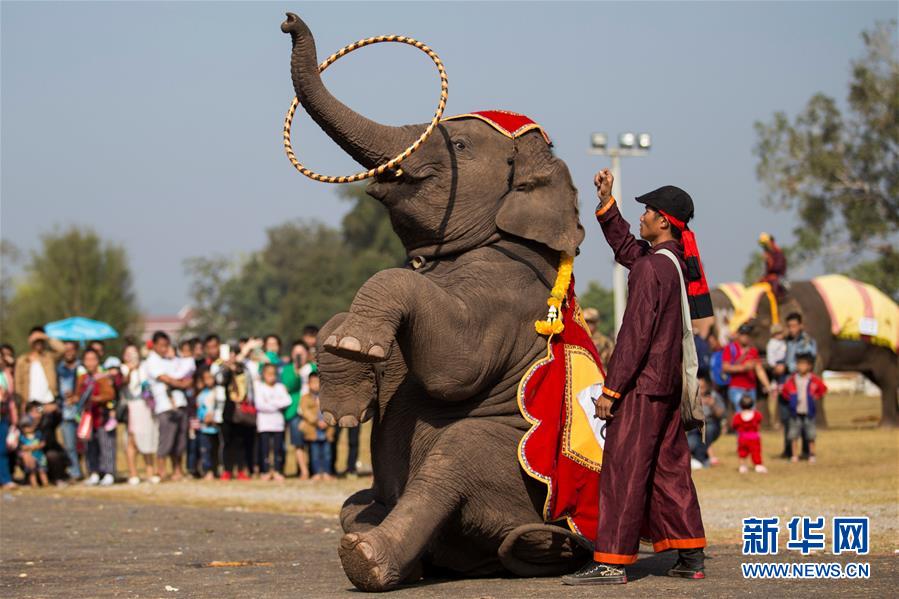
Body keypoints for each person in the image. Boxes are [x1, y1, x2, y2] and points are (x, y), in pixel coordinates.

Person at [564, 173, 710, 585]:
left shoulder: (650, 271)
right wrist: (607, 204)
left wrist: (612, 390)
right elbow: (630, 249)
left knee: (624, 470)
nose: (642, 216)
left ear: (663, 221)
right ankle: (690, 555)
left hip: (643, 388)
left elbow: (633, 336)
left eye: (647, 212)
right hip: (666, 388)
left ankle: (611, 561)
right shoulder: (669, 264)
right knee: (670, 471)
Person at [144, 332, 190, 481]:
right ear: (155, 345)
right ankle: (161, 471)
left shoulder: (170, 360)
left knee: (180, 441)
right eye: (162, 345)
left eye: (166, 345)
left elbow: (183, 374)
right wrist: (180, 383)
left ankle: (178, 470)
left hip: (180, 403)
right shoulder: (151, 361)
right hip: (165, 406)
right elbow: (166, 378)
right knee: (166, 440)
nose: (164, 349)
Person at [76, 349, 117, 486]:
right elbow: (78, 395)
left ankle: (109, 472)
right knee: (90, 445)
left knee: (106, 445)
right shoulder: (82, 378)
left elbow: (110, 394)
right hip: (88, 417)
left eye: (93, 359)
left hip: (102, 415)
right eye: (87, 359)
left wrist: (95, 399)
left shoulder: (103, 377)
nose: (90, 362)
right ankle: (94, 471)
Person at [121, 344, 159, 485]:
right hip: (132, 407)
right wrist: (130, 371)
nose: (132, 356)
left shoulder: (144, 367)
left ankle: (150, 471)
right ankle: (133, 473)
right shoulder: (123, 369)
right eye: (129, 353)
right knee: (132, 440)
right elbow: (123, 384)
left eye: (134, 352)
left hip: (145, 407)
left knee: (148, 437)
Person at [781, 353, 827, 464]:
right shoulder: (792, 380)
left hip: (809, 411)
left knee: (810, 434)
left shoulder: (813, 379)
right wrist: (791, 400)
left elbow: (823, 389)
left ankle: (811, 454)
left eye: (804, 365)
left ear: (809, 366)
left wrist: (815, 396)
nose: (802, 367)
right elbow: (784, 391)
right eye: (799, 364)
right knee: (794, 435)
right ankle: (794, 455)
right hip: (795, 412)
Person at [721, 323, 771, 411]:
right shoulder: (730, 348)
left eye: (748, 334)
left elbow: (759, 369)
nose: (746, 337)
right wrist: (743, 368)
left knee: (751, 416)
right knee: (741, 415)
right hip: (736, 388)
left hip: (751, 389)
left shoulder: (753, 350)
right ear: (739, 335)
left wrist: (767, 385)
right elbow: (725, 367)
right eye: (743, 334)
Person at [255, 363, 292, 481]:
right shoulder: (260, 387)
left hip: (278, 424)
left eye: (273, 374)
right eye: (268, 374)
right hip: (264, 424)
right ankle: (265, 471)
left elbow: (287, 401)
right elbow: (260, 405)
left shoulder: (280, 387)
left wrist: (270, 403)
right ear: (264, 375)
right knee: (265, 449)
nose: (271, 377)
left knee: (278, 449)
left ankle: (277, 470)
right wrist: (276, 404)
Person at [282, 340, 312, 479]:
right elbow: (289, 386)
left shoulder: (314, 368)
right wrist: (297, 372)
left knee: (314, 440)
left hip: (313, 408)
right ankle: (303, 470)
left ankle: (316, 469)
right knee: (297, 441)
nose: (299, 356)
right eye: (296, 353)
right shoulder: (288, 369)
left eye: (301, 353)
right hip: (295, 409)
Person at [14, 327, 65, 410]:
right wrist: (22, 401)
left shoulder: (49, 357)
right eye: (36, 340)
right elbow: (18, 384)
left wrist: (47, 337)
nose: (38, 343)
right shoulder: (23, 360)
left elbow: (62, 349)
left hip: (49, 402)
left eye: (40, 340)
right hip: (31, 404)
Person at [300, 372, 334, 481]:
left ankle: (326, 472)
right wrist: (316, 421)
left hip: (326, 429)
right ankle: (316, 473)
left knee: (327, 453)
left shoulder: (328, 397)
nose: (315, 385)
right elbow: (305, 411)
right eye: (313, 383)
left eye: (318, 383)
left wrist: (326, 421)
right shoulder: (305, 398)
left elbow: (332, 410)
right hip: (313, 430)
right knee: (314, 453)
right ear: (308, 384)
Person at [57, 341, 83, 480]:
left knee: (84, 444)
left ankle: (91, 470)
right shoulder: (59, 368)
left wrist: (76, 395)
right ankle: (75, 472)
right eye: (65, 349)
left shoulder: (82, 367)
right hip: (65, 411)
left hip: (81, 410)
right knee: (69, 445)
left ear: (76, 350)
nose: (69, 352)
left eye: (71, 349)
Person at [687, 378, 725, 468]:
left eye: (702, 387)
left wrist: (712, 405)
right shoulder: (689, 396)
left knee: (707, 433)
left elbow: (721, 414)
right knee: (690, 443)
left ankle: (700, 460)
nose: (700, 389)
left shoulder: (714, 396)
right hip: (695, 425)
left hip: (711, 424)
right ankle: (700, 459)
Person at [195, 368, 220, 479]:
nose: (209, 381)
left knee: (216, 450)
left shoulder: (218, 393)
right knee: (206, 450)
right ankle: (207, 470)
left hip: (216, 427)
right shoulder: (201, 396)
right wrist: (204, 418)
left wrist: (216, 417)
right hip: (205, 428)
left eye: (211, 378)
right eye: (206, 379)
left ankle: (216, 470)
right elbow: (200, 411)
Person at [732, 394, 767, 474]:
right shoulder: (756, 414)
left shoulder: (737, 416)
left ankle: (742, 466)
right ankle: (758, 465)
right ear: (752, 404)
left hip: (742, 437)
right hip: (754, 438)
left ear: (740, 405)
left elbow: (734, 425)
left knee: (742, 452)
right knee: (756, 452)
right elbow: (759, 421)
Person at [0, 366, 19, 489]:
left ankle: (6, 479)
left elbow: (10, 398)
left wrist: (14, 418)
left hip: (3, 416)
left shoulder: (6, 375)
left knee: (3, 449)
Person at [17, 415, 49, 488]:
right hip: (30, 457)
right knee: (32, 472)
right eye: (25, 427)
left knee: (42, 471)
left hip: (40, 457)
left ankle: (46, 483)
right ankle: (34, 484)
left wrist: (36, 446)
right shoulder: (22, 438)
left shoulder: (38, 435)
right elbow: (22, 447)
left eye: (29, 426)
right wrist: (30, 447)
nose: (27, 429)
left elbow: (43, 443)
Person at [758, 232, 787, 298]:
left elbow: (778, 268)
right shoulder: (769, 254)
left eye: (765, 244)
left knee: (774, 289)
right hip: (770, 277)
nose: (764, 247)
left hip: (778, 278)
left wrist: (769, 260)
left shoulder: (777, 253)